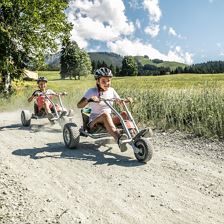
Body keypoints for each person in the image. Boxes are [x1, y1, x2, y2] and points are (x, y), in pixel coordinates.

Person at [77, 67, 131, 152]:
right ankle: (118, 139)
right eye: (103, 81)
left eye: (108, 80)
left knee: (124, 114)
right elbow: (79, 105)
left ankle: (134, 135)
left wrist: (125, 100)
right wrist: (89, 99)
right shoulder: (91, 91)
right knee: (105, 114)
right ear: (97, 81)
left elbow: (119, 102)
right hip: (94, 122)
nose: (107, 83)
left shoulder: (112, 90)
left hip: (108, 119)